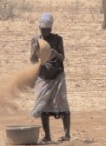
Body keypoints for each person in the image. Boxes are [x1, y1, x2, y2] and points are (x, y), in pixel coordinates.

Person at [29, 12, 71, 143]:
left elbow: (62, 58)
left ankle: (67, 135)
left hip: (57, 76)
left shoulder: (58, 39)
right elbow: (32, 61)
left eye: (46, 29)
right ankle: (47, 136)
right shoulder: (36, 40)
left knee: (62, 105)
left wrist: (55, 53)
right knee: (44, 108)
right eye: (42, 29)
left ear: (51, 28)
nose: (44, 31)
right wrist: (35, 51)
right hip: (43, 77)